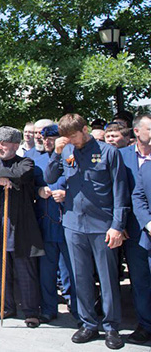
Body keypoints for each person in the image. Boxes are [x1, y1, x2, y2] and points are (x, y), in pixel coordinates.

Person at [46, 113, 129, 349]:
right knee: (80, 277)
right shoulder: (67, 151)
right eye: (66, 137)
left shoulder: (108, 152)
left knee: (107, 278)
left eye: (73, 136)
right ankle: (88, 324)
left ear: (85, 130)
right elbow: (51, 177)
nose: (71, 140)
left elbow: (120, 191)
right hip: (73, 224)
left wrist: (117, 226)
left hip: (102, 225)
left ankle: (112, 326)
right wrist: (56, 153)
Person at [0, 126, 44, 328]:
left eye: (4, 144)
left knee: (25, 269)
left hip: (19, 224)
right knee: (0, 268)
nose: (0, 147)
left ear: (15, 145)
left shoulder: (26, 162)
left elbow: (21, 175)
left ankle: (31, 311)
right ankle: (7, 306)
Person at [33, 123, 78, 324]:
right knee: (47, 271)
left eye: (52, 138)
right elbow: (28, 187)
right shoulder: (37, 158)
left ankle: (79, 309)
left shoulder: (73, 156)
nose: (48, 142)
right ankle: (49, 308)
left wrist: (67, 195)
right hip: (45, 222)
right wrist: (38, 192)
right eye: (45, 139)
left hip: (69, 222)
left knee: (73, 271)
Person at [118, 114, 151, 345]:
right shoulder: (122, 156)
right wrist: (119, 225)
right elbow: (117, 192)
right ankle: (145, 326)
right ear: (137, 132)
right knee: (140, 281)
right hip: (133, 231)